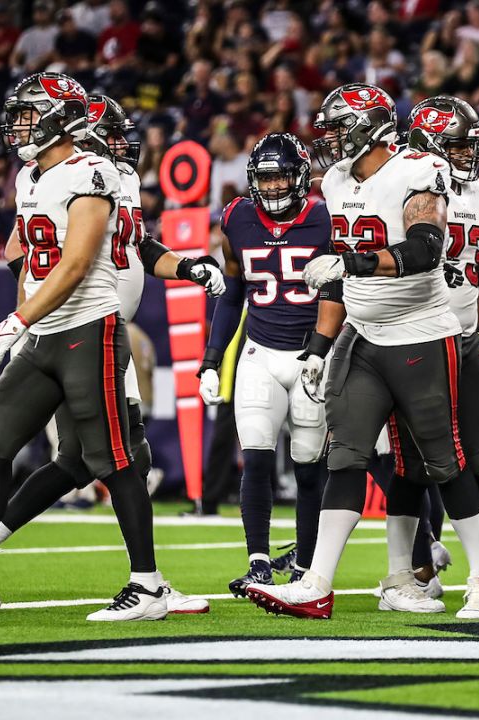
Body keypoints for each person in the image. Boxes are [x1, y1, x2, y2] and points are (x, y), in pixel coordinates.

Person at [0, 74, 215, 622]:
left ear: (62, 118)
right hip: (43, 336)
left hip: (88, 330)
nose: (18, 125)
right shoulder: (28, 176)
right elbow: (32, 259)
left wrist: (16, 319)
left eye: (29, 114)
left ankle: (148, 586)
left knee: (115, 461)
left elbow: (79, 261)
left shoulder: (93, 171)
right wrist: (22, 323)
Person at [245, 83, 479, 620]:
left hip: (419, 334)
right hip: (361, 335)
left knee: (445, 461)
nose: (331, 139)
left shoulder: (418, 170)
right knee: (347, 455)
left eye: (339, 127)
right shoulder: (337, 179)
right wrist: (318, 347)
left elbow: (426, 250)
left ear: (370, 127)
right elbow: (338, 274)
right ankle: (316, 583)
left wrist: (351, 266)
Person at [391, 95, 479, 613]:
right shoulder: (403, 188)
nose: (469, 152)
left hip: (466, 338)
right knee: (413, 464)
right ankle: (407, 574)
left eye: (471, 143)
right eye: (457, 144)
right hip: (414, 338)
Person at [196, 133, 336, 597]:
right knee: (254, 456)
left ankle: (307, 568)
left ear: (300, 178)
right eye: (266, 178)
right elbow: (233, 290)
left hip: (312, 354)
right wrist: (212, 359)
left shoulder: (324, 215)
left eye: (281, 177)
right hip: (259, 350)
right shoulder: (236, 216)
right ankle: (258, 561)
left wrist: (323, 346)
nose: (274, 187)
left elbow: (340, 292)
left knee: (307, 466)